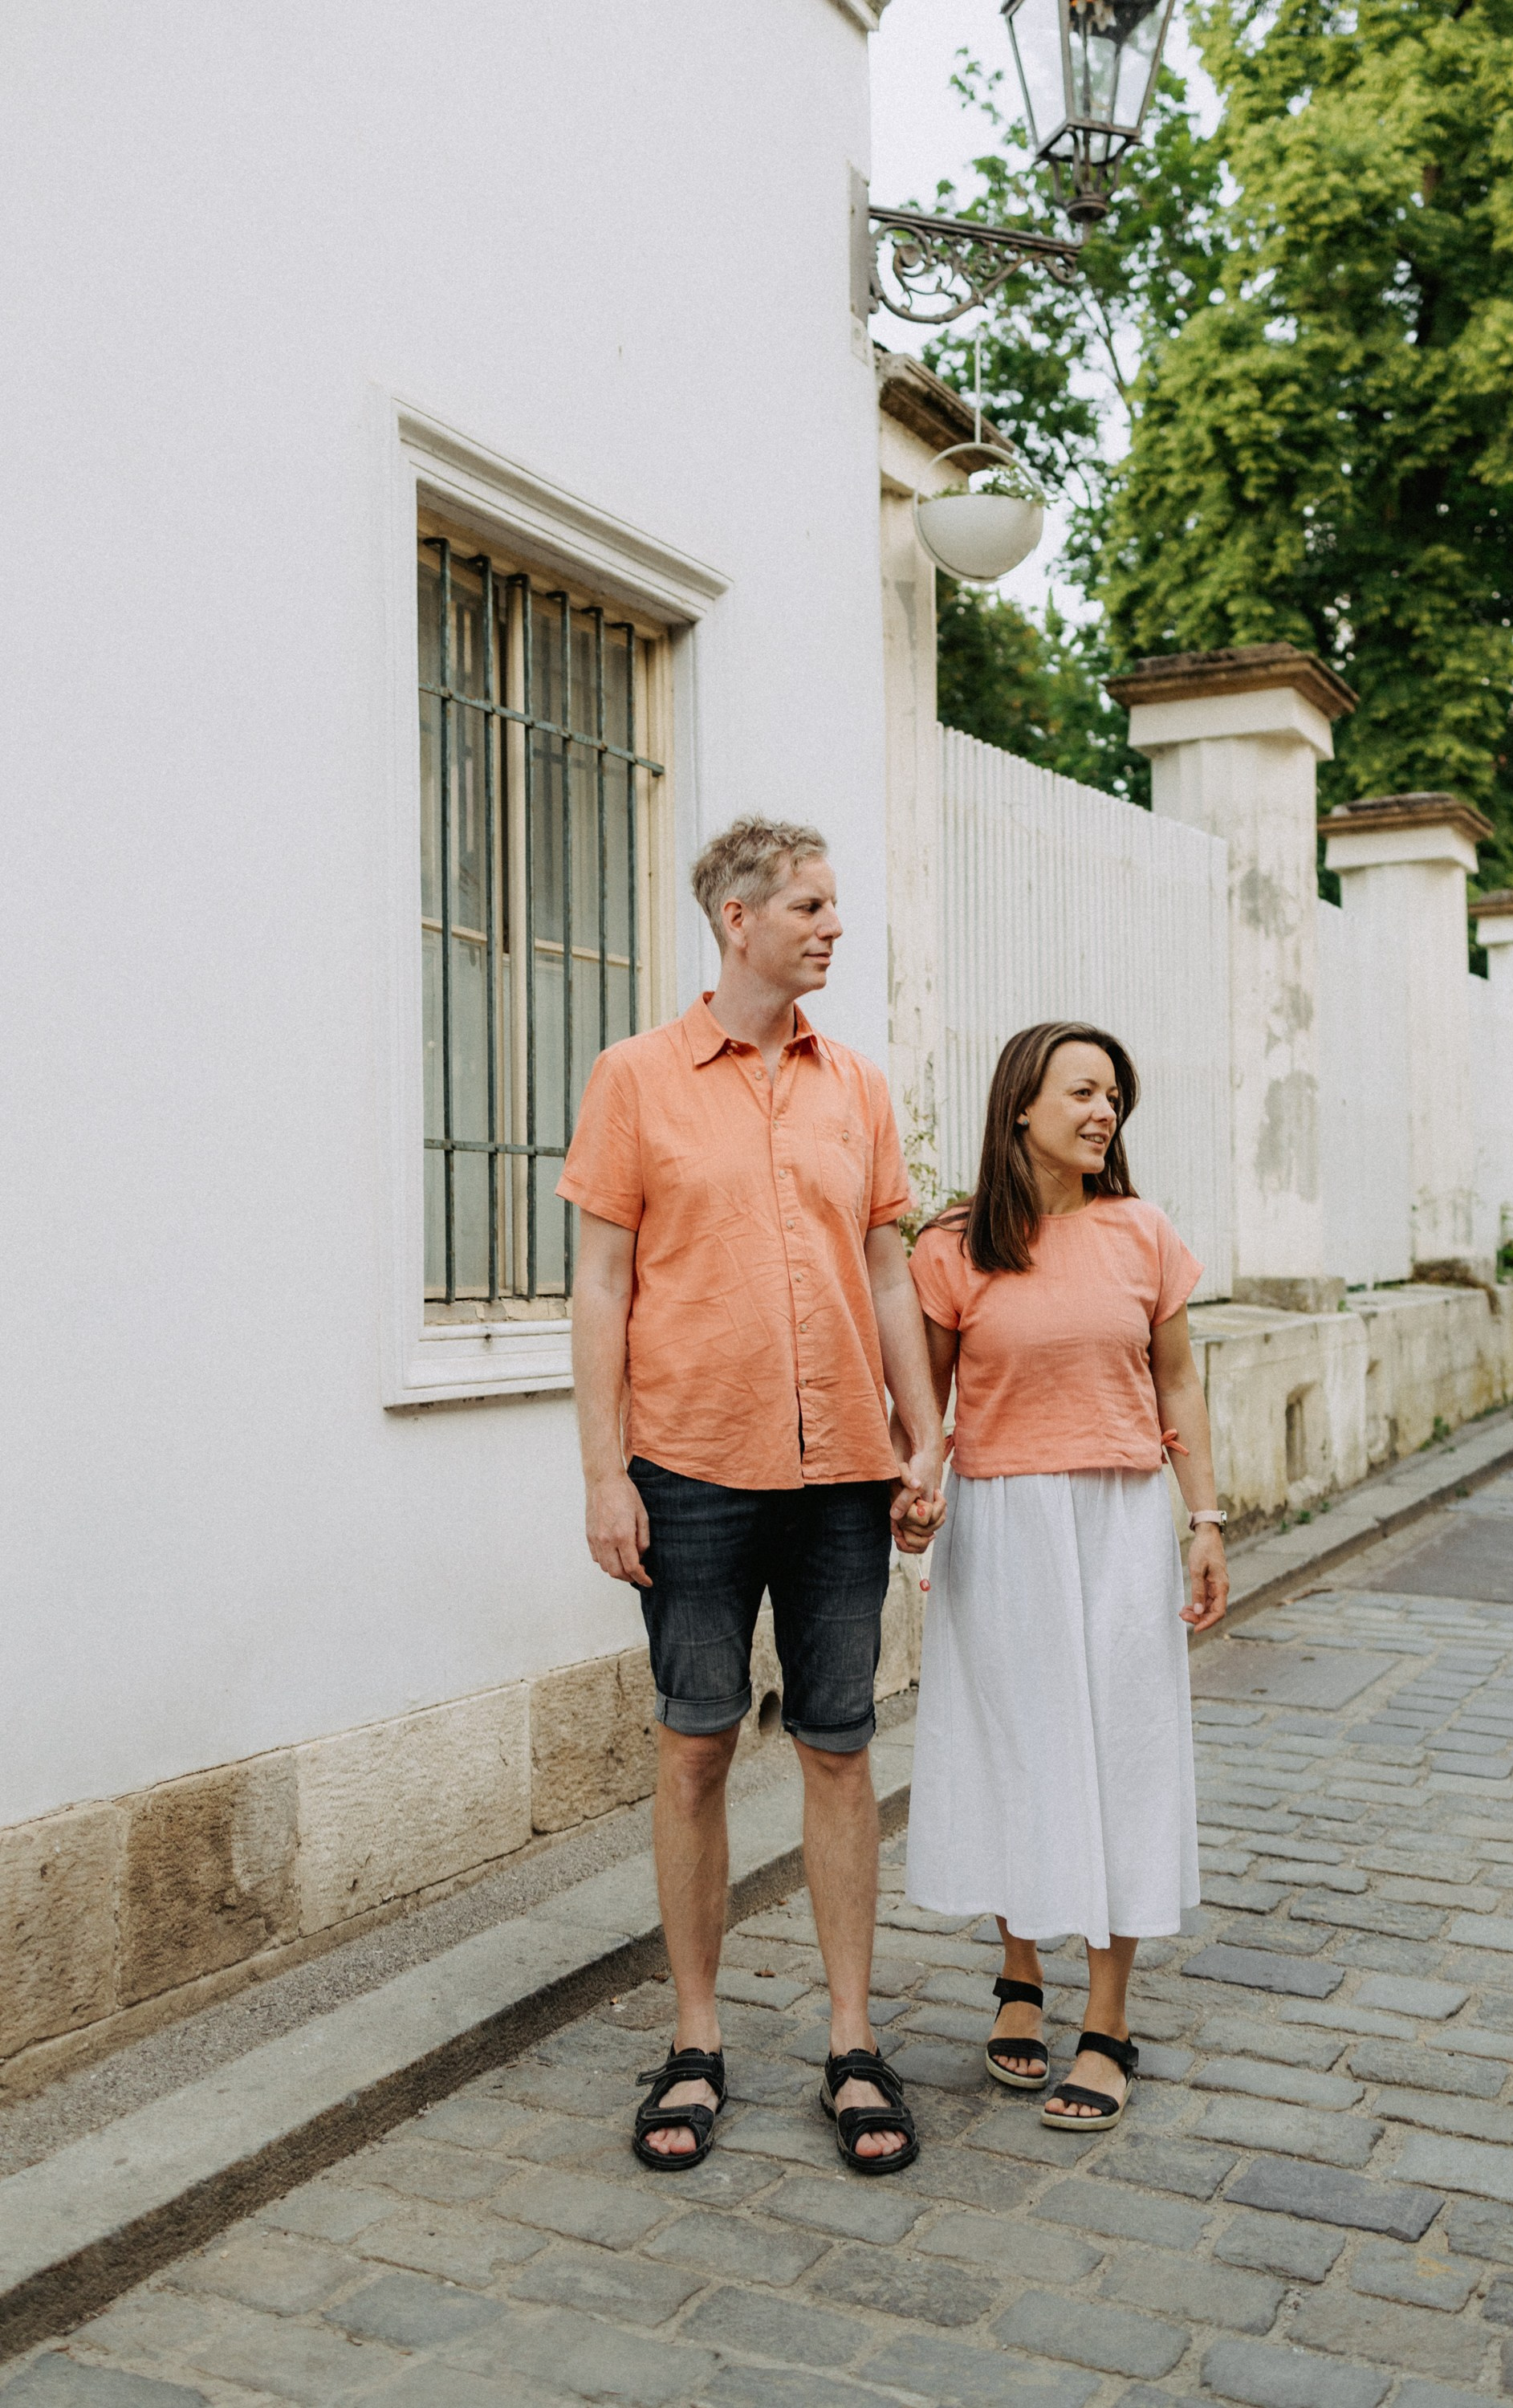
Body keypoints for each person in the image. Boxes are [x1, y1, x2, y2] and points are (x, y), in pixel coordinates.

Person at [559, 815, 946, 2176]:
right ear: (738, 916)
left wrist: (925, 1436)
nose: (835, 926)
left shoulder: (860, 1088)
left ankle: (851, 2041)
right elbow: (600, 1285)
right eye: (813, 905)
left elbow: (891, 1273)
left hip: (843, 1471)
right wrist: (605, 1472)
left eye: (835, 906)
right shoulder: (635, 1080)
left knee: (840, 1750)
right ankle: (697, 2038)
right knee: (697, 1746)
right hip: (688, 1467)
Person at [897, 1020, 1228, 2129]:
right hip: (1002, 1522)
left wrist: (1207, 1519)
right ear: (1022, 1107)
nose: (1105, 1113)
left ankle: (1109, 2016)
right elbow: (927, 1408)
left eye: (1115, 1098)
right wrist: (915, 1485)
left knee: (1123, 1750)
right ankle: (1018, 1974)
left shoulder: (1144, 1234)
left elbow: (1178, 1388)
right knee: (1018, 1744)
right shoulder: (952, 1248)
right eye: (1085, 1092)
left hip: (1124, 1518)